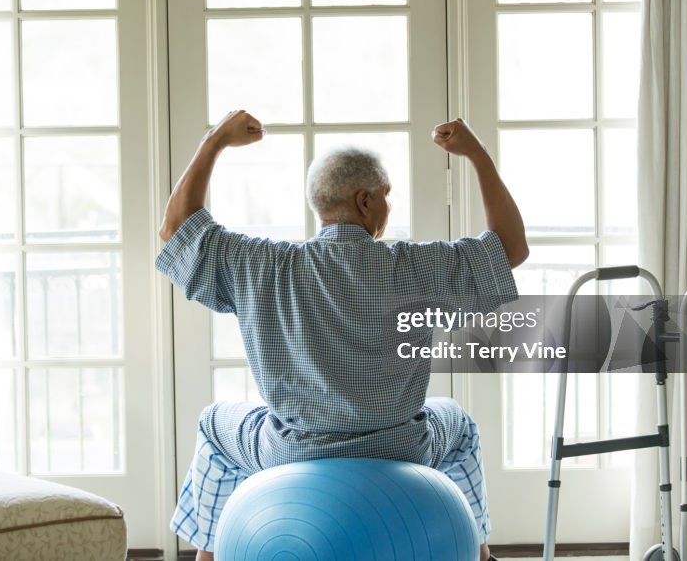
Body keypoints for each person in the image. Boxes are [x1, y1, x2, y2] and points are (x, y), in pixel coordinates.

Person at [157, 110, 528, 561]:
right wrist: (476, 155)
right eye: (387, 197)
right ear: (366, 200)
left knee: (213, 422)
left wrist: (215, 141)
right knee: (458, 422)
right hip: (400, 449)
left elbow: (176, 229)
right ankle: (480, 553)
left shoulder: (265, 266)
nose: (389, 209)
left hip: (291, 452)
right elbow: (510, 246)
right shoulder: (416, 266)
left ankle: (210, 556)